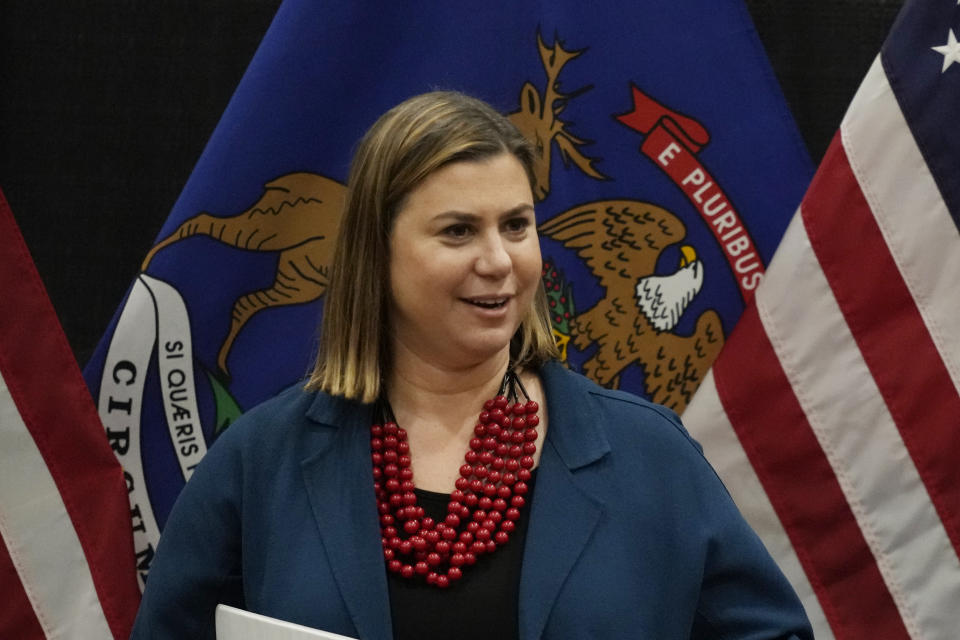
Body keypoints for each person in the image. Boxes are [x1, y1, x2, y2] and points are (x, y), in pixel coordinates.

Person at [131, 91, 813, 639]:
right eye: (458, 230)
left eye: (516, 225)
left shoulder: (649, 455)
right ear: (378, 252)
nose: (499, 260)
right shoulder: (262, 461)